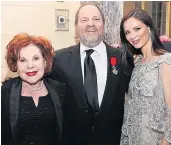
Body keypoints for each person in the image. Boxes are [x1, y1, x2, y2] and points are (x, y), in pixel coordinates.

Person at [49, 3, 133, 145]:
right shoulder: (59, 59)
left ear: (103, 24)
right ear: (76, 27)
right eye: (84, 20)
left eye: (96, 19)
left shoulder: (122, 58)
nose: (90, 24)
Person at [1, 33, 66, 145]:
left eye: (36, 58)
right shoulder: (5, 91)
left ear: (45, 62)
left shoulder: (60, 89)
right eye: (23, 60)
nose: (30, 65)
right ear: (16, 65)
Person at [119, 8, 171, 145]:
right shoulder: (137, 62)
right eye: (127, 32)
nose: (132, 36)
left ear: (149, 28)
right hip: (130, 138)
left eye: (137, 29)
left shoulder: (166, 62)